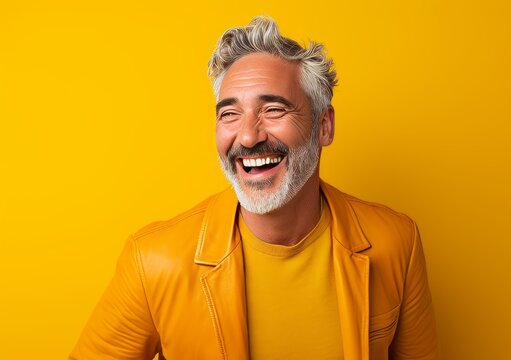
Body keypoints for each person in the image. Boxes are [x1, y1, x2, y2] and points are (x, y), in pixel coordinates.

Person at [70, 16, 438, 360]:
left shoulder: (396, 243)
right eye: (229, 114)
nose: (247, 136)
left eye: (274, 109)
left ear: (324, 126)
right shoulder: (153, 261)